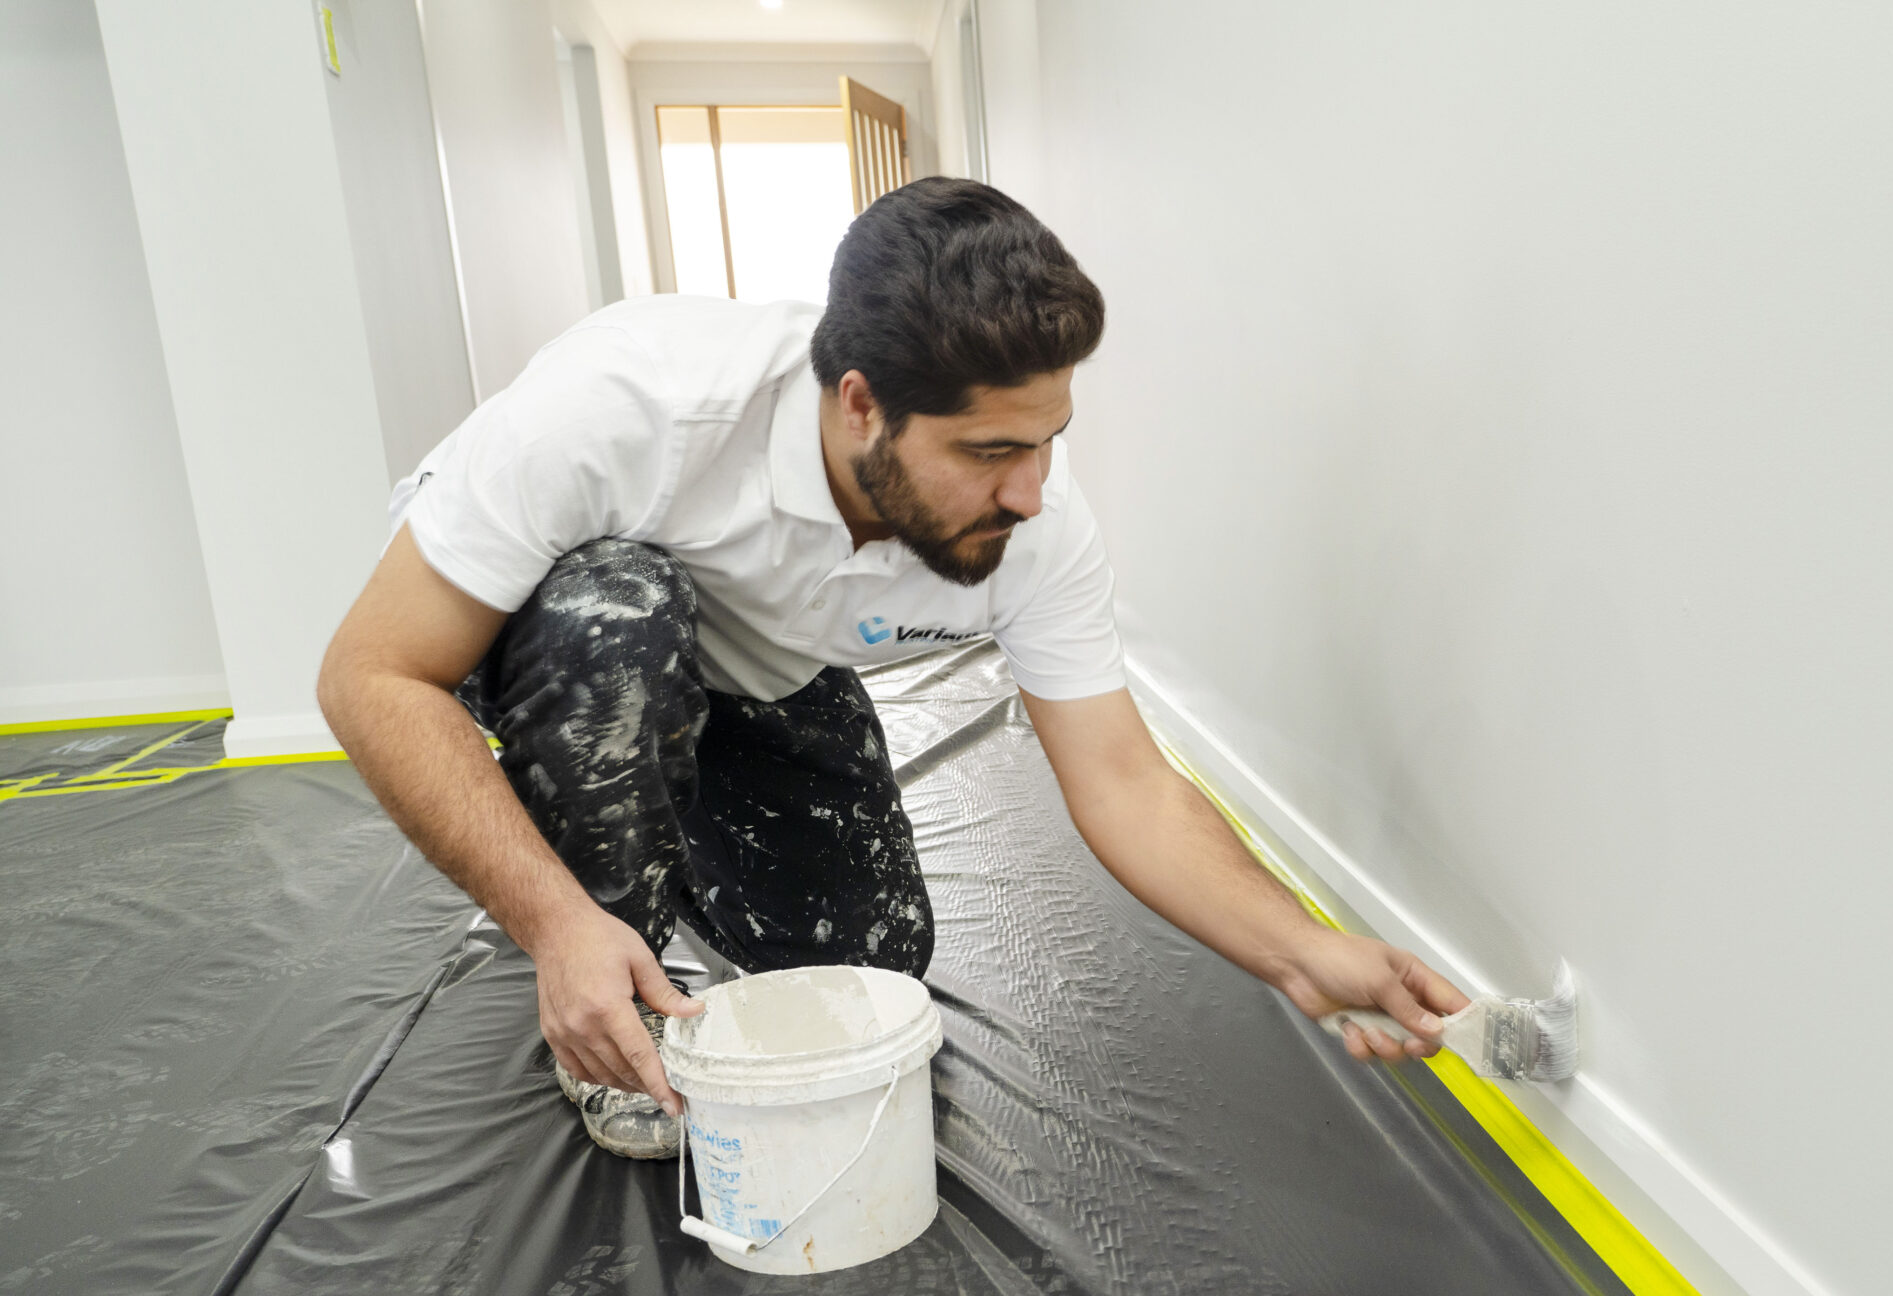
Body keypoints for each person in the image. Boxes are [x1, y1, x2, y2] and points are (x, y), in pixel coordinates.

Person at [318, 177, 1461, 1159]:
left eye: (1048, 440)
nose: (1030, 489)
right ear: (859, 403)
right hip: (546, 631)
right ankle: (615, 974)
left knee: (870, 973)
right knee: (620, 613)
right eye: (990, 451)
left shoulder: (1037, 522)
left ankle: (678, 851)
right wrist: (554, 921)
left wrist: (1301, 953)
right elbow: (374, 675)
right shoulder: (628, 410)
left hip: (755, 663)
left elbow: (1123, 780)